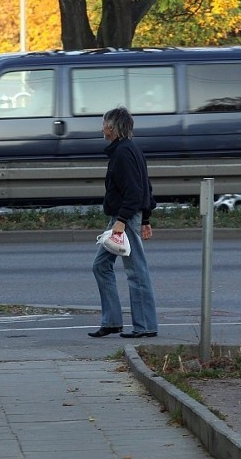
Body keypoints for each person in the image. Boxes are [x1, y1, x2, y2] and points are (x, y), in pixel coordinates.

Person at [88, 106, 159, 339]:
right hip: (124, 216)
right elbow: (145, 185)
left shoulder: (123, 153)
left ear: (112, 127)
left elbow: (134, 191)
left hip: (124, 217)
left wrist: (122, 221)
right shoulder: (130, 149)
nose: (102, 128)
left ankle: (145, 325)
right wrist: (146, 218)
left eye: (104, 124)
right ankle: (112, 321)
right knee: (101, 265)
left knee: (136, 271)